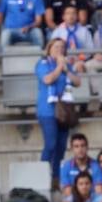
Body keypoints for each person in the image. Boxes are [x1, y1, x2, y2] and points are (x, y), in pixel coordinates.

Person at [34, 37, 80, 180]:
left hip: (64, 111)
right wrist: (60, 67)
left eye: (62, 48)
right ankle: (42, 177)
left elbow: (77, 82)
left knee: (61, 146)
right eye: (56, 47)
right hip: (47, 110)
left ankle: (55, 177)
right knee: (51, 144)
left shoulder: (67, 65)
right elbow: (47, 79)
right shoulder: (42, 64)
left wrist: (67, 70)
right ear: (49, 49)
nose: (59, 50)